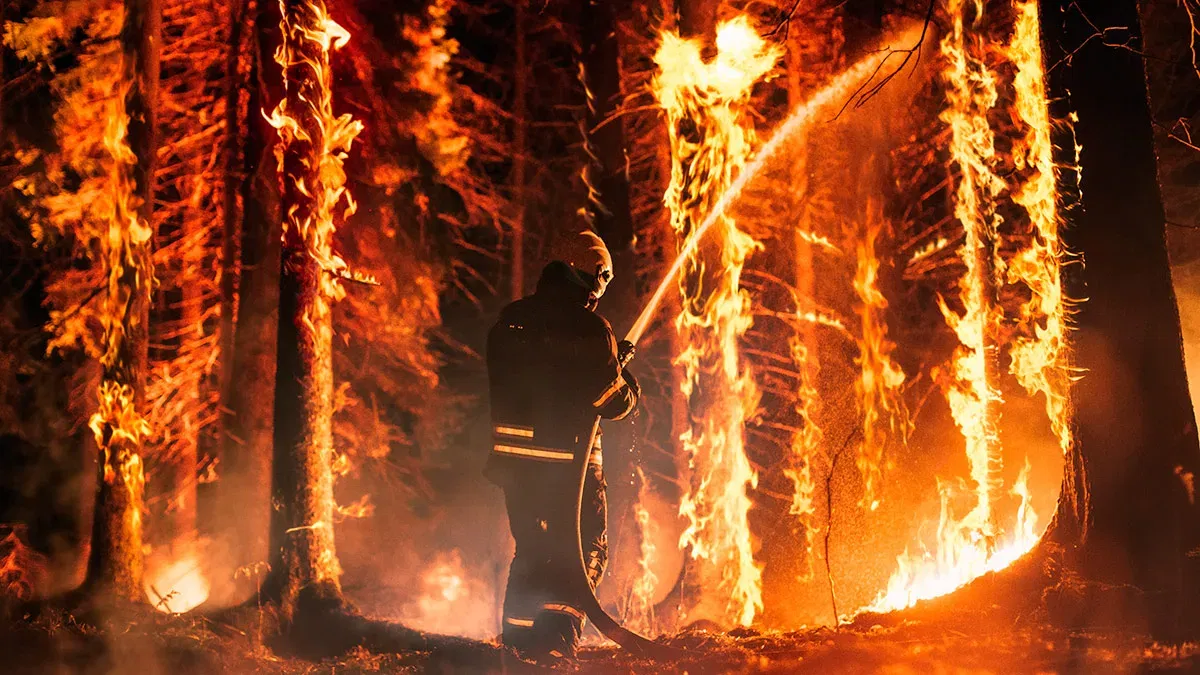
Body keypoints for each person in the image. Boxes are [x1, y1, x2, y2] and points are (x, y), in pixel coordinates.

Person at [485, 230, 639, 661]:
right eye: (602, 278)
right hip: (567, 469)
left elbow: (542, 380)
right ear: (591, 273)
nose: (601, 290)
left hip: (515, 468)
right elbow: (612, 404)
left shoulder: (509, 321)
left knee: (532, 550)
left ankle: (515, 647)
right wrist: (624, 380)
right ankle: (554, 647)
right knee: (584, 550)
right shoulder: (590, 328)